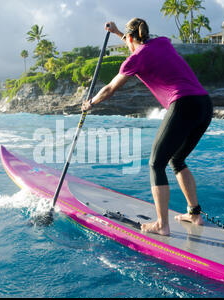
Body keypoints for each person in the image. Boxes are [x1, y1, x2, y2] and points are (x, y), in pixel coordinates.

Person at [81, 18, 213, 236]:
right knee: (177, 159)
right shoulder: (163, 42)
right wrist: (117, 33)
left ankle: (162, 224)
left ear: (131, 38)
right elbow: (136, 43)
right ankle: (194, 214)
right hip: (204, 105)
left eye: (126, 39)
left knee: (155, 164)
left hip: (183, 104)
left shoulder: (134, 59)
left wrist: (90, 103)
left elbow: (109, 89)